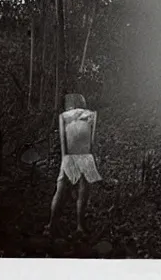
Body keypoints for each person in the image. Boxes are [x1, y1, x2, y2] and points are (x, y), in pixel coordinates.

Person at [44, 94, 102, 236]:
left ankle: (52, 224)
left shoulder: (64, 116)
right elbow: (92, 140)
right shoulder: (91, 115)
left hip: (69, 156)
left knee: (60, 189)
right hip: (85, 155)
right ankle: (80, 226)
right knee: (83, 191)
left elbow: (63, 141)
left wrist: (65, 159)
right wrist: (92, 157)